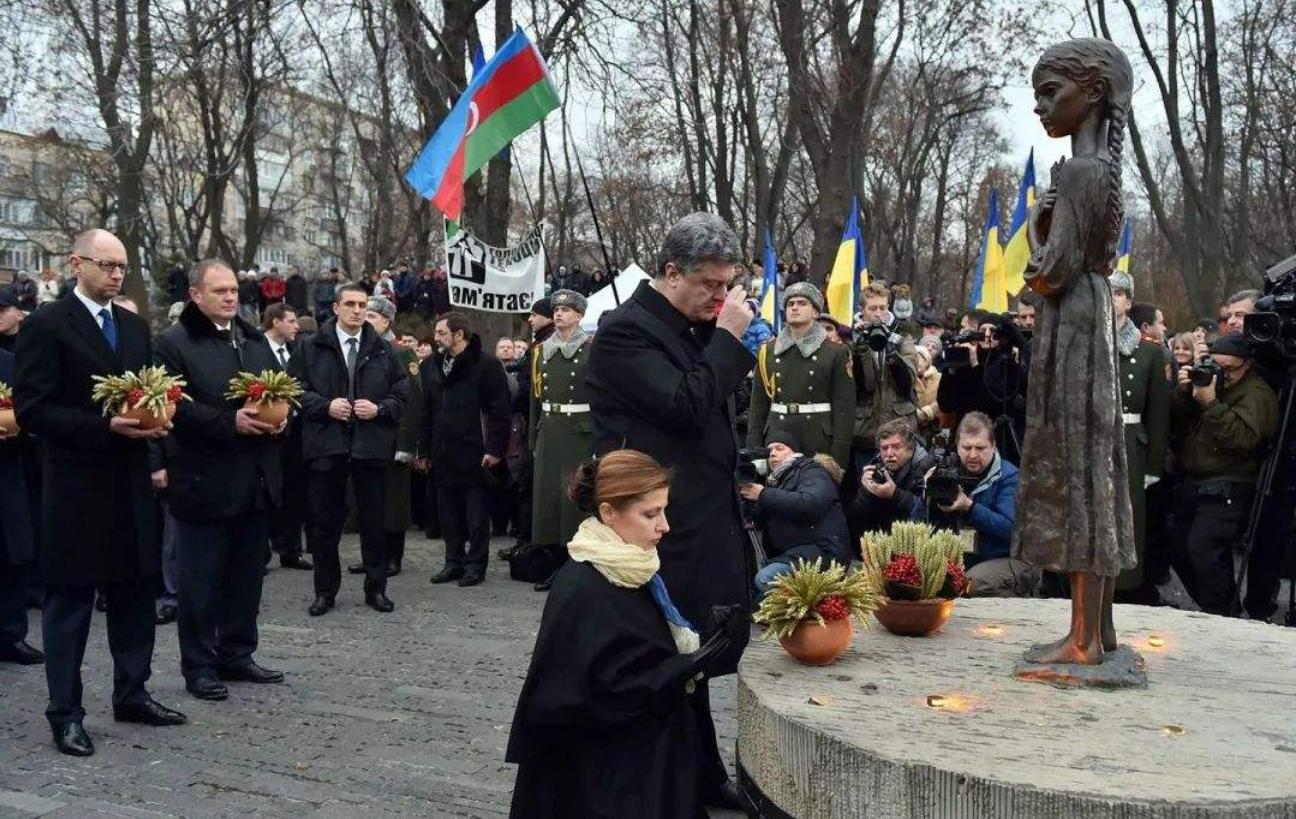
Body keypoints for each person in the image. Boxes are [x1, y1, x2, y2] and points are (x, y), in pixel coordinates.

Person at [586, 212, 755, 810]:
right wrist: (728, 339)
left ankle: (703, 772)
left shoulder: (689, 326)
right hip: (654, 527)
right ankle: (670, 784)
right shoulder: (625, 334)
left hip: (700, 517)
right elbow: (685, 406)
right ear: (671, 273)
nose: (721, 296)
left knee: (695, 654)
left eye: (727, 284)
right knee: (667, 657)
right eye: (710, 283)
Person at [14, 228, 187, 756]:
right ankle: (65, 713)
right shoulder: (46, 324)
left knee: (135, 594)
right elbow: (33, 409)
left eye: (122, 266)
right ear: (76, 264)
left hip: (130, 484)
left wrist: (157, 423)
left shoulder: (132, 326)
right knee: (70, 604)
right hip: (75, 487)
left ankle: (132, 693)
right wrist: (103, 426)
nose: (116, 274)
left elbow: (145, 392)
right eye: (106, 265)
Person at [506, 451, 745, 819]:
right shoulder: (585, 586)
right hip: (603, 782)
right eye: (650, 514)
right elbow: (586, 694)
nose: (664, 526)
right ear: (608, 512)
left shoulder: (630, 565)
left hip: (645, 760)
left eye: (664, 511)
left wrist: (698, 651)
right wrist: (685, 665)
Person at [1013, 39, 1136, 664]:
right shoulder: (1097, 170)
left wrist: (1041, 226)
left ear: (1091, 93)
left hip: (1073, 321)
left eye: (1050, 91)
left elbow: (1049, 271)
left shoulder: (1084, 171)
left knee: (1078, 464)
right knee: (1093, 464)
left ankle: (1083, 639)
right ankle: (1099, 630)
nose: (1040, 106)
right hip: (1088, 312)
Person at [154, 260, 287, 701]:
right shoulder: (173, 343)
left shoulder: (252, 339)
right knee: (201, 582)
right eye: (220, 291)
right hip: (203, 481)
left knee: (247, 576)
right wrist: (230, 422)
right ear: (196, 295)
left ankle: (237, 653)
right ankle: (199, 665)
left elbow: (278, 389)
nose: (231, 297)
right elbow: (174, 406)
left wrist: (282, 417)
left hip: (254, 479)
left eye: (233, 290)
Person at [290, 283, 409, 616]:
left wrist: (380, 409)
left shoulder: (383, 349)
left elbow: (402, 392)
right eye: (351, 304)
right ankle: (325, 591)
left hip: (371, 447)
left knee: (374, 522)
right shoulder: (311, 346)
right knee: (324, 525)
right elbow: (293, 389)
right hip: (326, 445)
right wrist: (324, 406)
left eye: (362, 305)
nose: (357, 311)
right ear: (336, 308)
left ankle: (376, 588)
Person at [1170, 332, 1278, 615]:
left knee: (1203, 546)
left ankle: (1222, 614)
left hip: (1230, 483)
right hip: (1196, 480)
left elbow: (1243, 438)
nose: (1222, 374)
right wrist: (1186, 392)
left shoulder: (1257, 394)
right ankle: (1215, 606)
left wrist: (1210, 403)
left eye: (1229, 369)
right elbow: (1177, 421)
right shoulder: (1212, 382)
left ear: (1246, 365)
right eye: (1217, 366)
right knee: (1176, 542)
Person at [419, 311, 512, 587]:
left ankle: (475, 565)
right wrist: (424, 450)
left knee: (476, 515)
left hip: (476, 452)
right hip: (442, 451)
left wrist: (495, 449)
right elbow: (426, 411)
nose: (436, 338)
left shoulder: (487, 364)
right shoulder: (431, 365)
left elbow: (500, 411)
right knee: (448, 514)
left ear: (459, 334)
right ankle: (453, 561)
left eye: (441, 333)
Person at [343, 297, 423, 577]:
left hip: (392, 437)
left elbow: (412, 400)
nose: (364, 320)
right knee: (368, 503)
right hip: (365, 438)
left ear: (387, 322)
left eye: (372, 316)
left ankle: (392, 557)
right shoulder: (360, 350)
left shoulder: (401, 352)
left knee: (393, 502)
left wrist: (406, 444)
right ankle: (372, 556)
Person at [917, 412, 1029, 597]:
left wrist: (970, 507)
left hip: (1007, 558)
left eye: (980, 448)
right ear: (957, 445)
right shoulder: (948, 472)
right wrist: (928, 495)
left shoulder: (1009, 477)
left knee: (972, 583)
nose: (973, 455)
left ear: (993, 446)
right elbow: (916, 525)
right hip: (964, 558)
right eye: (966, 447)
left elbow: (1011, 531)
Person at [527, 290, 595, 591]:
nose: (559, 314)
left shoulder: (591, 350)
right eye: (556, 310)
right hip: (550, 430)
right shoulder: (541, 351)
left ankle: (574, 570)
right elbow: (534, 399)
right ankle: (554, 565)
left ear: (579, 315)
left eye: (566, 310)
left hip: (579, 432)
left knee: (573, 501)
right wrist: (533, 438)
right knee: (549, 499)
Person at [746, 282, 854, 469]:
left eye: (802, 303)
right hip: (777, 437)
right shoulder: (767, 351)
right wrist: (755, 451)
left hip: (817, 439)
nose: (795, 307)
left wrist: (839, 457)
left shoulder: (835, 352)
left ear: (816, 312)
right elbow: (758, 406)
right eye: (790, 304)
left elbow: (844, 408)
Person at [1111, 282, 1171, 605]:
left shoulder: (1149, 352)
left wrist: (1154, 465)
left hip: (1131, 442)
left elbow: (1158, 413)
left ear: (1129, 301)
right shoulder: (1088, 344)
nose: (1112, 299)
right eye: (1106, 292)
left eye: (1118, 293)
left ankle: (1127, 587)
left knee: (1129, 517)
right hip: (1095, 440)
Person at [740, 428, 852, 598]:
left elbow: (809, 504)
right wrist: (748, 503)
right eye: (769, 450)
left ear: (795, 452)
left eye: (780, 448)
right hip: (798, 554)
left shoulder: (812, 472)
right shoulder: (777, 481)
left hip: (823, 553)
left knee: (766, 578)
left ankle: (812, 608)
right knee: (753, 597)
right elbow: (761, 521)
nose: (773, 454)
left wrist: (763, 494)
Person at [262, 303, 312, 571]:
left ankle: (291, 550)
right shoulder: (254, 349)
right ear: (275, 322)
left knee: (294, 492)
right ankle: (260, 552)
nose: (297, 326)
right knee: (265, 493)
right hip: (263, 435)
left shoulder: (297, 351)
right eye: (291, 321)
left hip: (294, 434)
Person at [0, 345, 40, 665]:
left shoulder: (10, 363)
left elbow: (33, 412)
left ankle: (11, 635)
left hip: (7, 473)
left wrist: (20, 429)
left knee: (12, 556)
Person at [849, 282, 919, 465]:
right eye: (873, 308)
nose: (878, 314)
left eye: (883, 308)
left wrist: (891, 351)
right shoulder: (853, 339)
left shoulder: (902, 337)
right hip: (865, 432)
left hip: (899, 430)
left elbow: (908, 382)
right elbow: (866, 385)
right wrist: (861, 348)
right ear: (862, 310)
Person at [851, 419, 938, 535]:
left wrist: (895, 495)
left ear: (910, 449)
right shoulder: (876, 465)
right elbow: (855, 518)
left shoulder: (927, 468)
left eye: (896, 447)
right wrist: (866, 491)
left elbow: (929, 513)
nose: (889, 454)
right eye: (884, 448)